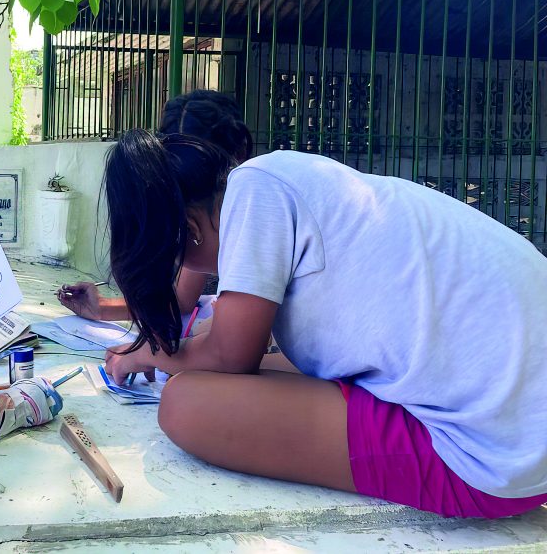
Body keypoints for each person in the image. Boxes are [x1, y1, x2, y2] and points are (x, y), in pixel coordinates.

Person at [102, 126, 547, 519]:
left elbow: (230, 358)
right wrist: (182, 350)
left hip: (492, 454)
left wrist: (151, 353)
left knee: (185, 404)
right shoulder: (289, 185)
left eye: (176, 258)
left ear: (190, 228)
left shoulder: (255, 194)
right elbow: (264, 361)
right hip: (519, 425)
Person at [58, 90, 252, 324]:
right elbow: (181, 299)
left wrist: (196, 347)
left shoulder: (256, 211)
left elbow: (237, 348)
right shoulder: (204, 217)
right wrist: (103, 308)